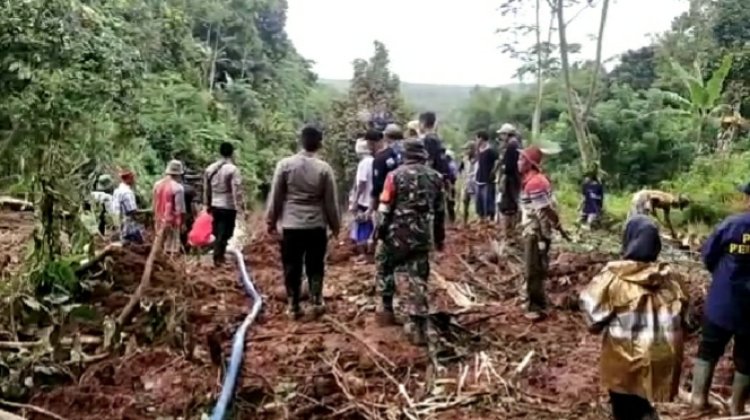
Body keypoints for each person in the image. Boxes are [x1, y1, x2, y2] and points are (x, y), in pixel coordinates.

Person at [580, 215, 688, 420]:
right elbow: (685, 317)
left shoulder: (614, 277)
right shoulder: (671, 278)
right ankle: (647, 413)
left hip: (625, 358)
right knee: (643, 398)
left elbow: (592, 318)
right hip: (663, 356)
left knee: (624, 405)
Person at [374, 139, 445, 351]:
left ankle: (385, 309)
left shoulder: (393, 176)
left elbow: (385, 207)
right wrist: (439, 238)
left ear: (404, 156)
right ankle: (418, 326)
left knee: (384, 264)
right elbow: (440, 212)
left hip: (397, 234)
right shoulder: (436, 178)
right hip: (422, 235)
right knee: (418, 277)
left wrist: (380, 231)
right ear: (423, 156)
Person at [266, 126, 340, 319]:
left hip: (291, 225)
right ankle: (316, 301)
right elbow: (330, 202)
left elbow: (276, 197)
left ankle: (293, 305)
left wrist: (271, 222)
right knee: (315, 264)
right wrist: (335, 226)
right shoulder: (324, 169)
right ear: (320, 144)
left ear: (301, 141)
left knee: (291, 264)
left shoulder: (285, 165)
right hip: (316, 225)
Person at [691, 183, 750, 415]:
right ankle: (737, 407)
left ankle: (698, 400)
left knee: (708, 350)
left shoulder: (732, 224)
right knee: (747, 358)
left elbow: (708, 256)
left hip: (722, 303)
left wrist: (724, 275)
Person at [518, 146, 567, 320]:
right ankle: (536, 301)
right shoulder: (532, 180)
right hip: (534, 230)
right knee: (536, 268)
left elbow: (545, 210)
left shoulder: (535, 183)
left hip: (536, 232)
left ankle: (536, 307)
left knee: (533, 269)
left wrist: (558, 226)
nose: (518, 162)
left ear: (530, 164)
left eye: (522, 159)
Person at [203, 142, 244, 266]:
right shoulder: (232, 169)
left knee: (217, 232)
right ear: (232, 153)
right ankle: (218, 258)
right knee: (226, 232)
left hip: (215, 205)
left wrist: (207, 205)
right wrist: (240, 207)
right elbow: (236, 191)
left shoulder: (210, 168)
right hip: (228, 206)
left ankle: (218, 256)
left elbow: (206, 189)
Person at [153, 160, 187, 254]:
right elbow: (180, 209)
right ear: (179, 174)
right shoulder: (178, 188)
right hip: (172, 222)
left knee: (159, 245)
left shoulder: (157, 185)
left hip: (159, 219)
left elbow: (154, 203)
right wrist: (182, 223)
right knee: (171, 248)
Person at [349, 138, 374, 254]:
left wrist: (355, 199)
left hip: (364, 200)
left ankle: (363, 253)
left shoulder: (363, 163)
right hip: (373, 199)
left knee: (362, 225)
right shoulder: (374, 160)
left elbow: (362, 183)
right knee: (370, 226)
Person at [367, 129, 400, 215]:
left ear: (372, 143)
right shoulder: (393, 152)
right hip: (398, 198)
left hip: (385, 200)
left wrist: (372, 207)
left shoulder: (379, 159)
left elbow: (377, 185)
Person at [497, 124, 522, 237]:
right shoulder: (516, 144)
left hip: (511, 179)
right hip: (514, 178)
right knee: (511, 203)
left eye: (502, 134)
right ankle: (511, 231)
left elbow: (509, 166)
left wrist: (503, 171)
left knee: (509, 205)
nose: (501, 137)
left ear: (507, 134)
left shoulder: (512, 145)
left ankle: (510, 232)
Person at [112, 170, 143, 244]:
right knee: (137, 245)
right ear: (128, 179)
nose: (134, 180)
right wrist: (149, 211)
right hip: (129, 226)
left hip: (120, 222)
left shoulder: (117, 190)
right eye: (133, 178)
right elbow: (132, 211)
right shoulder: (127, 192)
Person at [474, 131, 499, 221]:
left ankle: (490, 218)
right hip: (479, 178)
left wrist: (493, 172)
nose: (476, 141)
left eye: (476, 138)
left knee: (488, 201)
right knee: (479, 201)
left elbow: (497, 161)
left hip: (487, 179)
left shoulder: (491, 151)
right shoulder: (479, 151)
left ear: (481, 138)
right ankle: (481, 218)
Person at [459, 141, 477, 224]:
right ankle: (464, 221)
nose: (466, 151)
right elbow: (460, 169)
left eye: (467, 149)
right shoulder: (464, 159)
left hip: (475, 181)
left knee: (476, 202)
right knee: (465, 201)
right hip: (467, 181)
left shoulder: (478, 159)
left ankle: (478, 221)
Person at [445, 149, 458, 223]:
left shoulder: (451, 165)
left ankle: (452, 219)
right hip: (448, 184)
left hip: (451, 184)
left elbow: (453, 176)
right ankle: (450, 219)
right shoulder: (449, 164)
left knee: (450, 203)